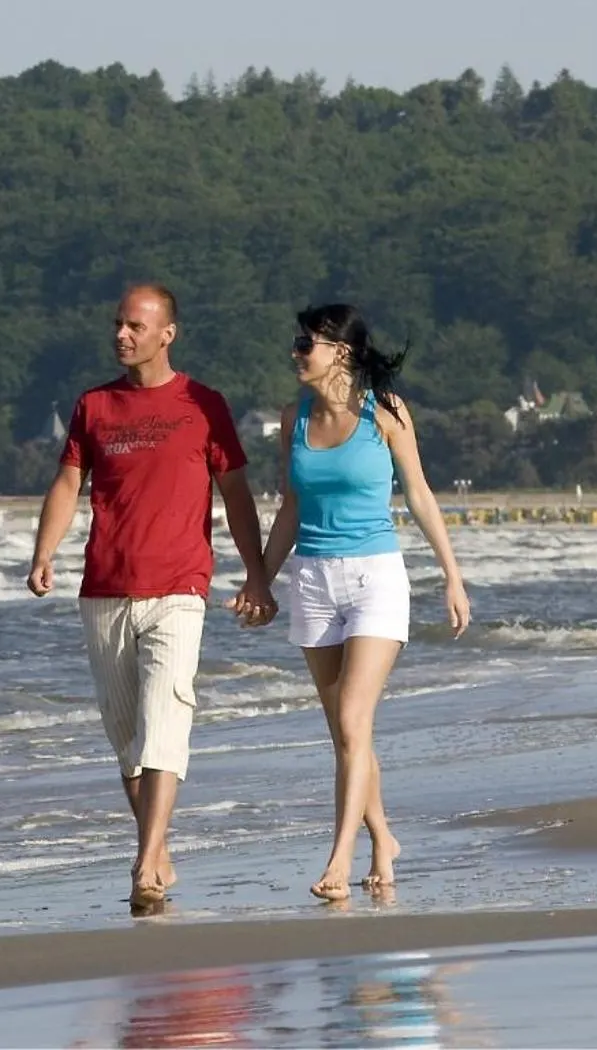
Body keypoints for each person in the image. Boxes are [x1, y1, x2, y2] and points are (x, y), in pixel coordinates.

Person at [27, 284, 273, 910]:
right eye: (118, 324)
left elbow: (236, 494)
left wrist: (256, 574)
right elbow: (68, 481)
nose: (121, 335)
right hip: (104, 587)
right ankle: (157, 848)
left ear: (168, 334)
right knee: (128, 741)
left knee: (166, 719)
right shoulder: (94, 405)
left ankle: (143, 862)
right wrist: (44, 552)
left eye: (135, 326)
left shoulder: (203, 405)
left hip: (180, 587)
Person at [236, 303, 470, 902]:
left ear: (340, 351)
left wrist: (452, 576)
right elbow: (290, 508)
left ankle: (339, 856)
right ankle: (383, 838)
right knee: (348, 735)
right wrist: (260, 579)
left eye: (305, 343)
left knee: (351, 723)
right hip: (313, 581)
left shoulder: (385, 411)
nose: (295, 353)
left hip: (375, 578)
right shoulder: (293, 418)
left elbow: (419, 494)